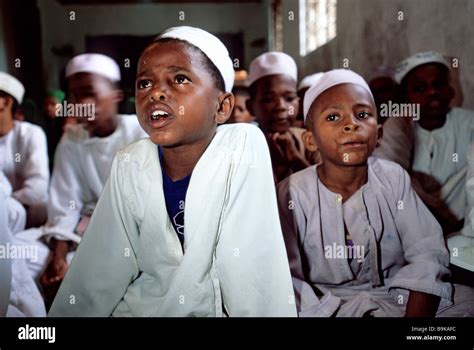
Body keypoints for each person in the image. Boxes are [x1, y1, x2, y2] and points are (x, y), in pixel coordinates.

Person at [48, 26, 296, 317]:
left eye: (179, 79)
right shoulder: (131, 161)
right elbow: (101, 266)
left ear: (222, 106)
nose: (156, 92)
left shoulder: (241, 147)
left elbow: (254, 276)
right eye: (144, 84)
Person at [278, 69, 474, 317]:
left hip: (392, 296)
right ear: (310, 140)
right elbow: (286, 277)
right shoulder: (292, 193)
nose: (351, 124)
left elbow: (427, 252)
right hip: (326, 305)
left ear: (379, 133)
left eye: (362, 114)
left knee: (468, 300)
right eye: (333, 117)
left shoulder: (393, 178)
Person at [14, 53, 147, 306]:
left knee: (89, 273)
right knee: (12, 251)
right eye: (74, 96)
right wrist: (58, 259)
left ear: (116, 95)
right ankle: (35, 323)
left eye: (90, 92)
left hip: (124, 236)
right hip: (76, 232)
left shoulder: (139, 132)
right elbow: (65, 206)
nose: (81, 103)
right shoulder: (72, 138)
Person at [395, 51, 474, 234]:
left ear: (450, 89)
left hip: (465, 233)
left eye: (438, 84)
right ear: (406, 97)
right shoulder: (400, 132)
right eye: (420, 88)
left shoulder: (470, 125)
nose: (432, 92)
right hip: (413, 234)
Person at [246, 52, 310, 183]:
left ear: (299, 101)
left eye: (289, 98)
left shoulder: (311, 142)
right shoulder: (243, 146)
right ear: (251, 107)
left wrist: (295, 158)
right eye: (268, 99)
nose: (281, 106)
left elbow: (328, 195)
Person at [0, 72, 49, 228]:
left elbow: (37, 188)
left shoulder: (31, 134)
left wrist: (8, 204)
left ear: (5, 102)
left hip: (30, 210)